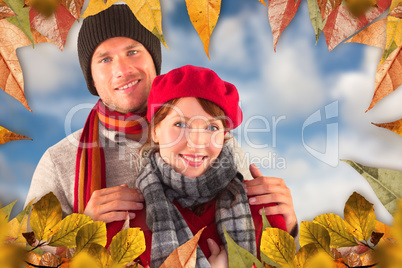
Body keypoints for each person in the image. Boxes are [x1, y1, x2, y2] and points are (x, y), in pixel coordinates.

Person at [24, 3, 298, 256]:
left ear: (154, 59)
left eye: (133, 52)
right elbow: (25, 254)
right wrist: (80, 231)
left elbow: (262, 239)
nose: (123, 69)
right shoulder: (60, 161)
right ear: (91, 77)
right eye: (105, 60)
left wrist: (288, 224)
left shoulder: (216, 146)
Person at [133, 65, 287, 267]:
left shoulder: (262, 209)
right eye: (180, 124)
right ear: (155, 131)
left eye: (212, 127)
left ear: (223, 136)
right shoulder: (128, 219)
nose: (197, 142)